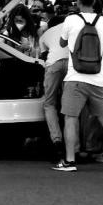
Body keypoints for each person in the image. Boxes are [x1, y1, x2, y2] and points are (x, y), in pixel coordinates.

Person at [52, 0, 103, 172]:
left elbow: (61, 42)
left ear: (78, 1)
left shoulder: (71, 19)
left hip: (75, 78)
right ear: (94, 1)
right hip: (98, 78)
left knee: (70, 118)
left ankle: (69, 161)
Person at [38, 13, 68, 162]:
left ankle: (57, 141)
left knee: (49, 104)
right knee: (70, 106)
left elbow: (44, 57)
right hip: (72, 65)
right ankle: (74, 147)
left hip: (53, 65)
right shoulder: (71, 27)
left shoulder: (45, 34)